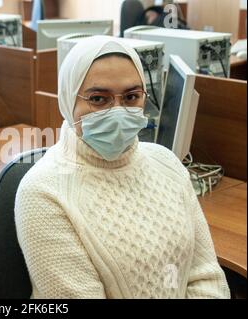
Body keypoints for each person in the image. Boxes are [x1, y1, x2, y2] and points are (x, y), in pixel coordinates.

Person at [15, 36, 230, 299]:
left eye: (131, 97)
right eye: (98, 99)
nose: (118, 112)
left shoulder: (168, 164)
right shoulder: (43, 191)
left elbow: (206, 277)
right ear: (67, 102)